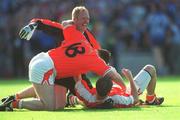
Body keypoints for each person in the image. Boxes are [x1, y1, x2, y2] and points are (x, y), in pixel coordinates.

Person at [0, 13, 125, 111]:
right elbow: (45, 23)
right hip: (56, 68)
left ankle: (71, 99)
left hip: (62, 69)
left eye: (87, 20)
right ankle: (16, 99)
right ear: (75, 21)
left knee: (68, 100)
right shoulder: (66, 30)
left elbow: (98, 59)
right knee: (56, 103)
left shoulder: (90, 40)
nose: (85, 23)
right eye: (82, 19)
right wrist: (33, 24)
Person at [68, 65, 164, 108]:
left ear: (95, 88)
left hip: (89, 99)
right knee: (150, 68)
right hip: (129, 91)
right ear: (110, 91)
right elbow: (135, 99)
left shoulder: (87, 95)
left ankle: (71, 99)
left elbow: (77, 77)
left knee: (80, 100)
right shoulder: (117, 99)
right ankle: (151, 99)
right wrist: (130, 78)